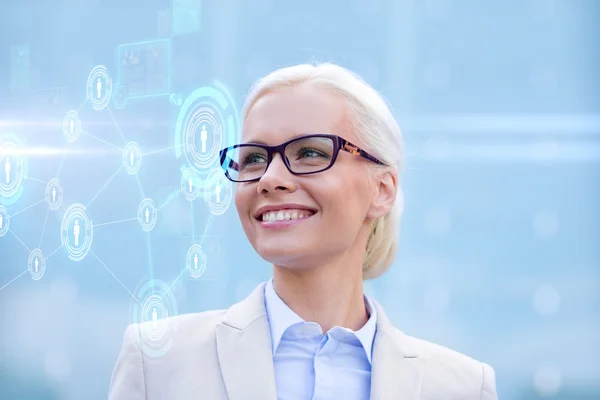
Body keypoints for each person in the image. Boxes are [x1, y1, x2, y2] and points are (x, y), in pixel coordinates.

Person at [109, 62, 498, 400]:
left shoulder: (461, 388)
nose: (270, 178)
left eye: (310, 152)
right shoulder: (156, 363)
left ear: (382, 190)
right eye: (254, 158)